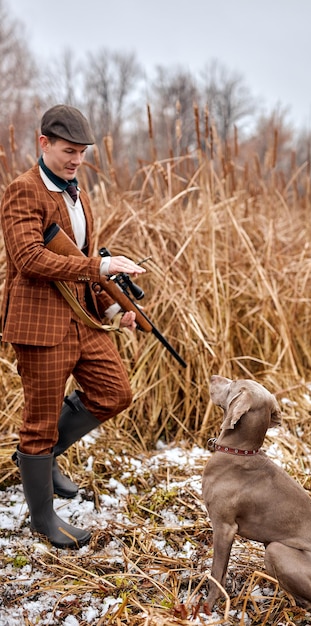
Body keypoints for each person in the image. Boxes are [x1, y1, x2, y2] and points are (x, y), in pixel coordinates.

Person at [0, 104, 145, 549]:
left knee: (114, 392)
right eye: (68, 150)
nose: (75, 160)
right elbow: (30, 259)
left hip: (82, 322)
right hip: (40, 326)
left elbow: (80, 261)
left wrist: (111, 307)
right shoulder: (23, 191)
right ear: (43, 143)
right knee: (39, 424)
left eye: (81, 152)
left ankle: (43, 461)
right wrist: (99, 268)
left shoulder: (77, 193)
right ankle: (43, 520)